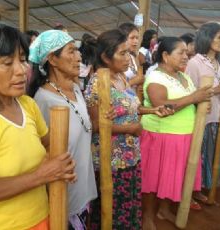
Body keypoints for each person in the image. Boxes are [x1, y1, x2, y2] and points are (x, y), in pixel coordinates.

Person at [0, 24, 76, 230]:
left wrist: (59, 166)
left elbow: (49, 146)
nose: (22, 70)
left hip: (41, 219)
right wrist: (42, 175)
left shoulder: (27, 105)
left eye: (22, 60)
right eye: (8, 63)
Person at [85, 29, 172, 230]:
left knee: (128, 206)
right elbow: (96, 125)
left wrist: (152, 109)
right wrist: (129, 129)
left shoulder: (120, 78)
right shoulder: (97, 84)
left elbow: (130, 106)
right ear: (106, 57)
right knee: (113, 211)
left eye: (128, 53)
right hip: (111, 160)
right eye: (122, 53)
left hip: (130, 154)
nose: (128, 58)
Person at [140, 36, 213, 229]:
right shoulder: (155, 77)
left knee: (172, 176)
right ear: (165, 55)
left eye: (186, 52)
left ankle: (164, 210)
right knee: (152, 177)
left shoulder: (183, 76)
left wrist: (200, 102)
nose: (185, 56)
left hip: (184, 136)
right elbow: (161, 106)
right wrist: (193, 97)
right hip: (160, 135)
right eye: (180, 52)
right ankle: (147, 216)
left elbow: (192, 99)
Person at [28, 29, 97, 229]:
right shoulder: (43, 100)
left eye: (77, 51)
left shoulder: (75, 89)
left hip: (82, 189)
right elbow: (40, 154)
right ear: (53, 59)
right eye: (71, 51)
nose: (79, 56)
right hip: (61, 197)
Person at [185, 22, 220, 196]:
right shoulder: (194, 63)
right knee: (198, 156)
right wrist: (218, 89)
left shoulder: (219, 62)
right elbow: (191, 94)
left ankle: (202, 186)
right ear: (208, 38)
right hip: (202, 119)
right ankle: (192, 191)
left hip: (217, 116)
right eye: (219, 37)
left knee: (211, 154)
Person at [119, 22, 144, 90]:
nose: (136, 41)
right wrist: (133, 82)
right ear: (123, 39)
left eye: (137, 38)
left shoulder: (133, 57)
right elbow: (114, 87)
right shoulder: (117, 59)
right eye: (132, 38)